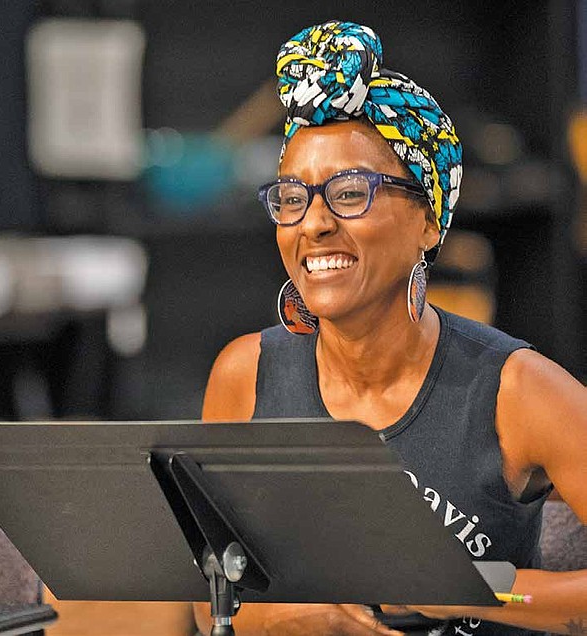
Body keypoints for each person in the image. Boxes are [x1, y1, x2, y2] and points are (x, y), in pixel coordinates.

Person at [192, 20, 587, 636]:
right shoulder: (245, 377)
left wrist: (468, 590)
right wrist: (293, 618)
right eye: (292, 198)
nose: (313, 224)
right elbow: (209, 591)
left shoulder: (519, 390)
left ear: (430, 223)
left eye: (349, 193)